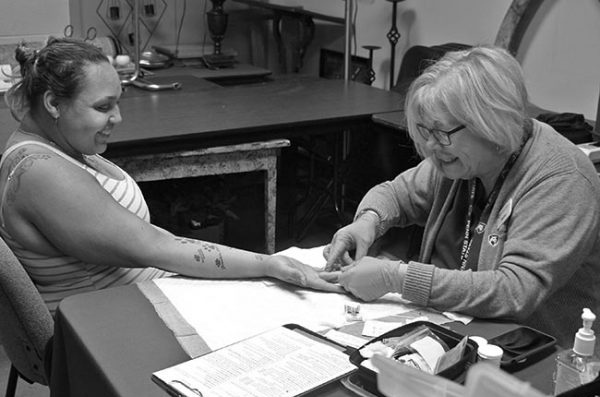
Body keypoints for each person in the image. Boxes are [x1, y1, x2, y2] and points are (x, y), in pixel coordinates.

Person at [0, 37, 341, 312]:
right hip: (106, 326)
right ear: (53, 104)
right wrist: (269, 264)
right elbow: (154, 245)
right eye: (103, 107)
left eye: (117, 103)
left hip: (133, 300)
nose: (117, 118)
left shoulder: (56, 147)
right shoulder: (40, 172)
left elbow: (148, 242)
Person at [321, 45, 600, 346]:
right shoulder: (460, 159)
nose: (429, 147)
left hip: (534, 357)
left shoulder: (561, 179)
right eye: (423, 132)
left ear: (492, 122)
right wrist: (367, 222)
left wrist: (396, 278)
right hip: (452, 330)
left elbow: (514, 291)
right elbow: (397, 195)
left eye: (440, 134)